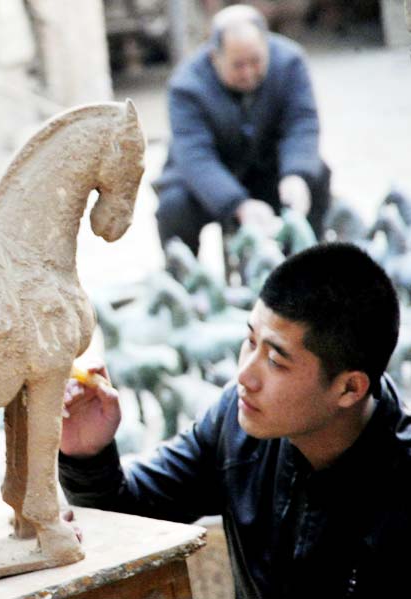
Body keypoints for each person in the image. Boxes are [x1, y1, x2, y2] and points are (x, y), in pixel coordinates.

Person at [59, 243, 411, 598]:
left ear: (350, 388)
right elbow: (133, 514)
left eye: (275, 360)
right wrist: (87, 454)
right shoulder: (237, 420)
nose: (244, 375)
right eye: (250, 340)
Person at [153, 4, 330, 255]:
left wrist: (296, 173)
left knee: (315, 175)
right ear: (215, 56)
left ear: (267, 47)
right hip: (210, 179)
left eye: (256, 61)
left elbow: (302, 123)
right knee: (174, 206)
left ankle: (304, 264)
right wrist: (237, 204)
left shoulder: (291, 62)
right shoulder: (186, 86)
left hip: (270, 169)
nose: (248, 73)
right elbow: (194, 156)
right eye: (238, 65)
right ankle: (185, 281)